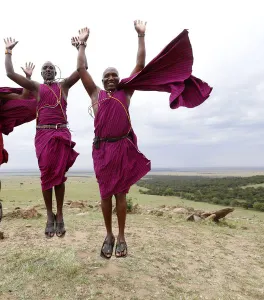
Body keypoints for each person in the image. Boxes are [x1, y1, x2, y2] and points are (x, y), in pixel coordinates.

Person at [76, 21, 150, 258]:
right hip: (102, 151)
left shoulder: (125, 93)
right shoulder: (95, 95)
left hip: (121, 149)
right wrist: (82, 45)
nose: (111, 78)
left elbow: (140, 65)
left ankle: (121, 236)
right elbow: (81, 71)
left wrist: (141, 36)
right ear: (102, 79)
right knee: (105, 194)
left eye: (114, 75)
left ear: (119, 79)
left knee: (121, 195)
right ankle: (108, 235)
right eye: (107, 75)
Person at [4, 37, 81, 238]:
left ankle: (61, 215)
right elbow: (10, 73)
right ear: (41, 73)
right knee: (47, 174)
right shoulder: (38, 88)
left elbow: (82, 69)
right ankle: (49, 215)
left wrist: (80, 47)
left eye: (50, 68)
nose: (47, 70)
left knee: (60, 175)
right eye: (44, 68)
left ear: (55, 72)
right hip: (43, 134)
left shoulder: (63, 87)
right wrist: (8, 52)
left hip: (62, 132)